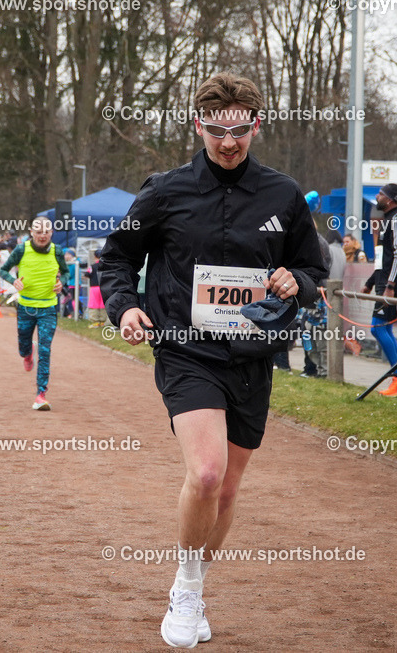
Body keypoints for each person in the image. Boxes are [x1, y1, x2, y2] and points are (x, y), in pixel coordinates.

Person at [98, 72, 327, 649]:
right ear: (198, 125)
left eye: (240, 130)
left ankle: (196, 583)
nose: (229, 142)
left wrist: (295, 280)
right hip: (185, 349)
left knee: (226, 490)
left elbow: (312, 268)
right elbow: (116, 258)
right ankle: (185, 588)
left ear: (257, 125)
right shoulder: (164, 191)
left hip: (252, 356)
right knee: (205, 473)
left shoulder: (283, 194)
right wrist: (125, 307)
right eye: (218, 131)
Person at [0, 216, 68, 410]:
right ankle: (27, 353)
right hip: (26, 308)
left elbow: (66, 272)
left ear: (51, 232)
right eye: (39, 232)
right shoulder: (22, 249)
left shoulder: (57, 251)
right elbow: (3, 270)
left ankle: (41, 395)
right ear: (31, 232)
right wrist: (13, 281)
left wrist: (62, 283)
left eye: (46, 231)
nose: (42, 235)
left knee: (45, 350)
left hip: (48, 308)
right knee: (23, 347)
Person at [361, 183, 397, 397]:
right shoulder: (387, 220)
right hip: (384, 284)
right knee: (385, 329)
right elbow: (383, 259)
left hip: (392, 286)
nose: (377, 196)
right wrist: (370, 282)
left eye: (380, 194)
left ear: (390, 199)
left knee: (378, 329)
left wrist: (390, 286)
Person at [86, 249, 106, 327]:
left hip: (94, 288)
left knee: (94, 304)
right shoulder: (105, 266)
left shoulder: (92, 266)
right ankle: (102, 321)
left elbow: (87, 274)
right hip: (103, 287)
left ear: (95, 257)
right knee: (103, 303)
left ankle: (95, 321)